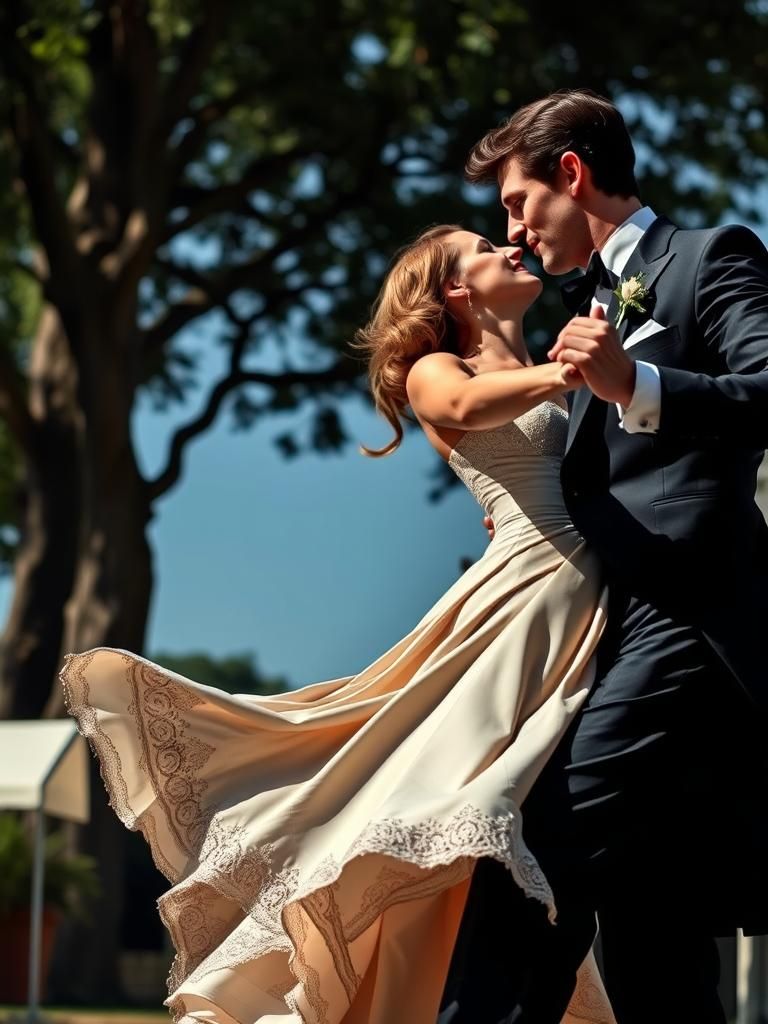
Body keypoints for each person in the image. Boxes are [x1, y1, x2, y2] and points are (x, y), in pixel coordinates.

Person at [61, 224, 617, 1024]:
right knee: (451, 798)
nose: (512, 249)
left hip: (578, 593)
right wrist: (569, 369)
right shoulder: (441, 370)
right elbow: (465, 407)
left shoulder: (554, 369)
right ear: (456, 291)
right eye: (487, 250)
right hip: (524, 602)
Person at [440, 89, 768, 1024]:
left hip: (691, 616)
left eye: (516, 202)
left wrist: (640, 383)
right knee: (652, 929)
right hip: (603, 635)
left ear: (571, 175)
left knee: (539, 843)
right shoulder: (579, 306)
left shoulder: (712, 257)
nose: (512, 227)